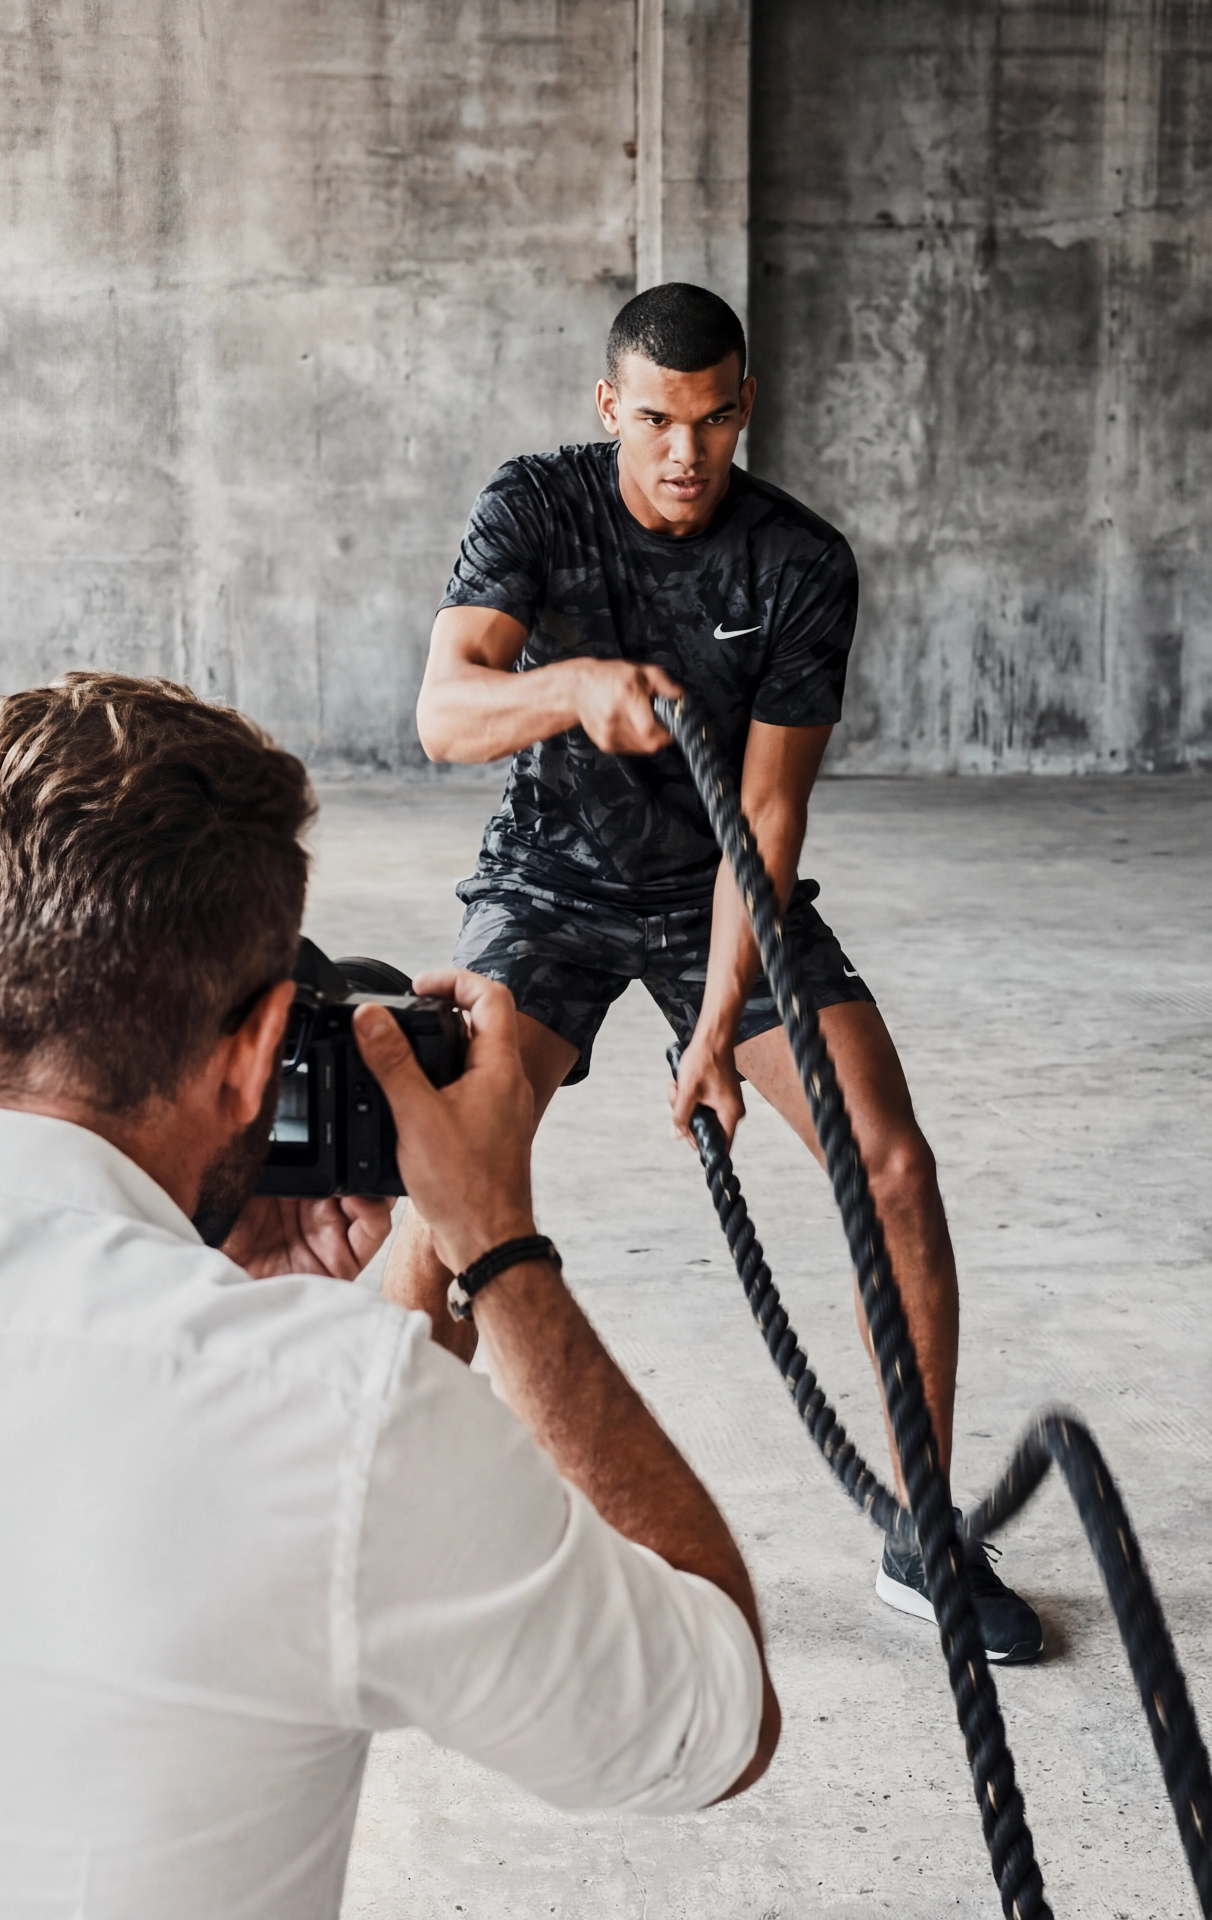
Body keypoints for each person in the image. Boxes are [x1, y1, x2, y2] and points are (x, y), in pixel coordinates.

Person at [0, 672, 778, 1920]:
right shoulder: (336, 1409)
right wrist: (493, 1251)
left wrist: (223, 1289)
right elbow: (710, 1720)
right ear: (257, 1053)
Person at [383, 281, 1043, 1664]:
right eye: (659, 421)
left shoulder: (799, 562)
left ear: (745, 408)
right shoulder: (539, 507)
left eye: (716, 420)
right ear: (608, 407)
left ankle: (922, 1535)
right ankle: (369, 1519)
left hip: (719, 894)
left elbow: (769, 820)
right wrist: (572, 687)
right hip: (546, 885)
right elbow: (443, 713)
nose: (686, 453)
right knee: (451, 1175)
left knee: (891, 1164)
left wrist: (718, 1023)